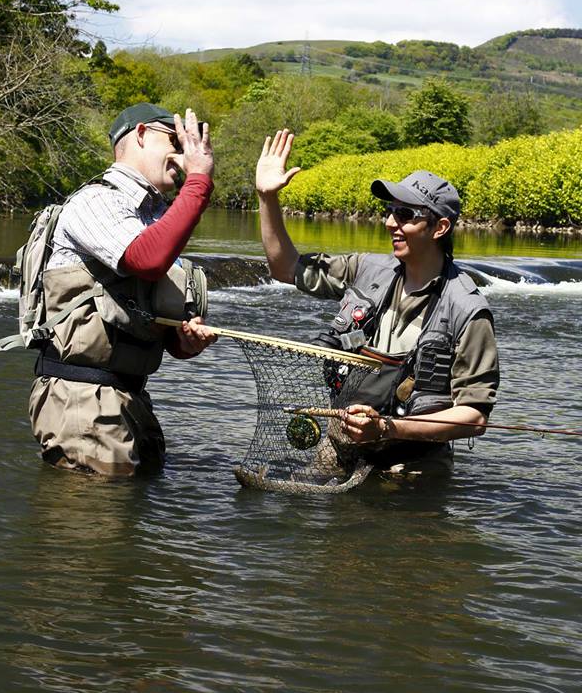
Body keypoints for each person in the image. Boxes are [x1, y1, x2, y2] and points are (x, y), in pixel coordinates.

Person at [255, 129, 499, 476]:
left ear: (440, 227)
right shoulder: (365, 269)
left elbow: (474, 417)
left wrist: (387, 428)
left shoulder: (467, 310)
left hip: (413, 466)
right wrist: (267, 198)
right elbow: (284, 268)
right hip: (340, 448)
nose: (389, 223)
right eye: (389, 210)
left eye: (404, 214)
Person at [29, 102, 216, 477]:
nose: (184, 153)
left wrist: (185, 341)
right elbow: (145, 259)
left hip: (131, 397)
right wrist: (198, 181)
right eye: (176, 141)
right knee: (95, 525)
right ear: (142, 134)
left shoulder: (156, 215)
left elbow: (149, 317)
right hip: (82, 398)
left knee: (126, 521)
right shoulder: (97, 201)